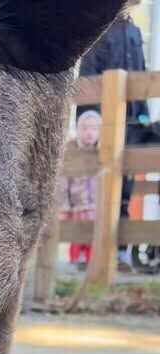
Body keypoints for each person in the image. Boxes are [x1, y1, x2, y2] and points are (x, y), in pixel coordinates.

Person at [79, 2, 149, 270]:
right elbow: (88, 77)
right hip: (104, 122)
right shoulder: (100, 30)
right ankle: (96, 252)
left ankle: (122, 251)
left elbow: (141, 73)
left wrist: (142, 114)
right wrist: (91, 120)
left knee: (127, 188)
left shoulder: (134, 31)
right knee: (102, 188)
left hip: (131, 120)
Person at [60, 111, 102, 268]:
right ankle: (74, 262)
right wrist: (64, 205)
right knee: (77, 235)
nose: (89, 132)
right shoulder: (72, 152)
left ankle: (91, 264)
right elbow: (64, 181)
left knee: (93, 235)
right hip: (77, 204)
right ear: (78, 130)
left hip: (96, 205)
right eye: (84, 128)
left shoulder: (103, 152)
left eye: (94, 128)